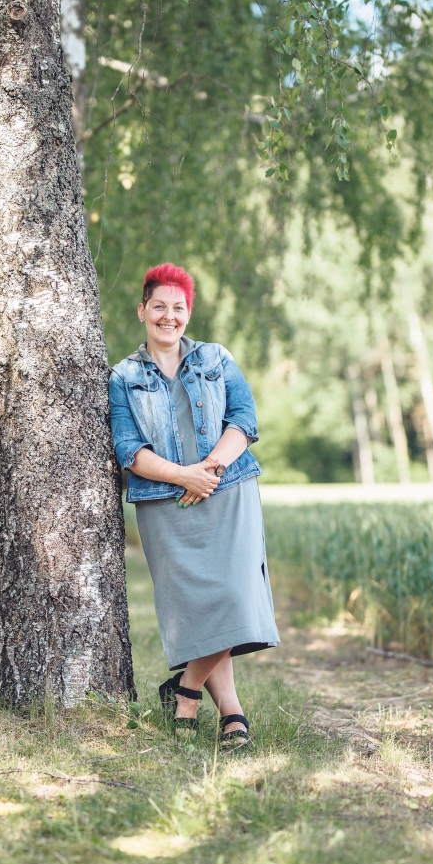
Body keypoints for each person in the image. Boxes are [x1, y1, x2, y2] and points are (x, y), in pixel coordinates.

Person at [109, 263, 280, 748]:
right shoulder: (122, 377)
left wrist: (211, 470)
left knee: (232, 593)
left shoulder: (216, 358)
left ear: (189, 312)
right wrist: (184, 476)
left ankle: (185, 693)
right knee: (199, 607)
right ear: (142, 310)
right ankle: (232, 713)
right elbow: (128, 449)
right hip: (166, 502)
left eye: (178, 308)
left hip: (229, 493)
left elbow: (244, 420)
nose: (169, 316)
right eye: (159, 306)